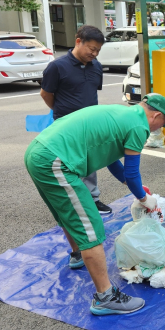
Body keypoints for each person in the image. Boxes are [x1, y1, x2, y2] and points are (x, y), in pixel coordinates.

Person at [24, 93, 165, 315]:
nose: (160, 129)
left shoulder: (122, 113)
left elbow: (111, 159)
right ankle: (105, 297)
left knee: (69, 211)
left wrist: (135, 187)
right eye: (163, 124)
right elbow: (133, 173)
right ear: (156, 116)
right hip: (55, 160)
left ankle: (77, 254)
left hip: (39, 152)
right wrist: (144, 198)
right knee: (90, 225)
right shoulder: (139, 126)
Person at [40, 26, 111, 215]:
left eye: (98, 50)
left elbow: (91, 92)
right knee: (69, 164)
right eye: (91, 49)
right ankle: (72, 204)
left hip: (90, 125)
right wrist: (61, 112)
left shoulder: (96, 66)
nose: (94, 54)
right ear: (78, 41)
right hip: (66, 125)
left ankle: (92, 200)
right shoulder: (57, 66)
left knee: (89, 163)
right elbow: (46, 93)